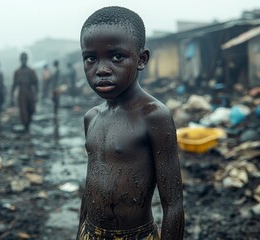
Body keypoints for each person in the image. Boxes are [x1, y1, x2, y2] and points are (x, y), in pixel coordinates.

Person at [77, 6, 184, 240]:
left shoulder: (154, 116)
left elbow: (173, 203)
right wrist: (81, 231)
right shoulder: (92, 117)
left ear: (141, 59)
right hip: (91, 232)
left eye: (117, 57)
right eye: (91, 58)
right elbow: (90, 185)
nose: (102, 70)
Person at [11, 52, 38, 132]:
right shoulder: (17, 72)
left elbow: (36, 83)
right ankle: (26, 126)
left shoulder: (31, 71)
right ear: (20, 60)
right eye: (22, 58)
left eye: (25, 58)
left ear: (27, 59)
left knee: (31, 109)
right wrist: (12, 96)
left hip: (29, 92)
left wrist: (36, 94)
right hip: (22, 93)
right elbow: (14, 85)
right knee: (23, 110)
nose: (23, 60)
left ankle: (28, 123)